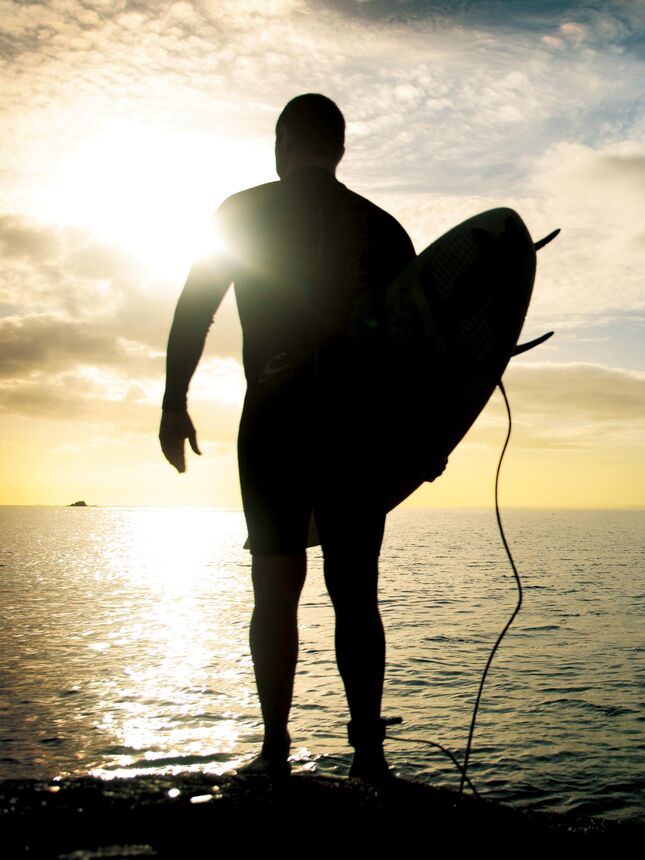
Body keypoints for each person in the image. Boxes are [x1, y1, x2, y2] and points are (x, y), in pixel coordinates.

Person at [160, 94, 432, 780]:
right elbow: (420, 345)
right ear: (340, 149)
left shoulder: (243, 213)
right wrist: (428, 436)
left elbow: (196, 307)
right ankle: (368, 755)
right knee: (355, 591)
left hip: (276, 417)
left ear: (281, 144)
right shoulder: (380, 228)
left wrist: (173, 399)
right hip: (357, 426)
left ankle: (274, 750)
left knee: (274, 588)